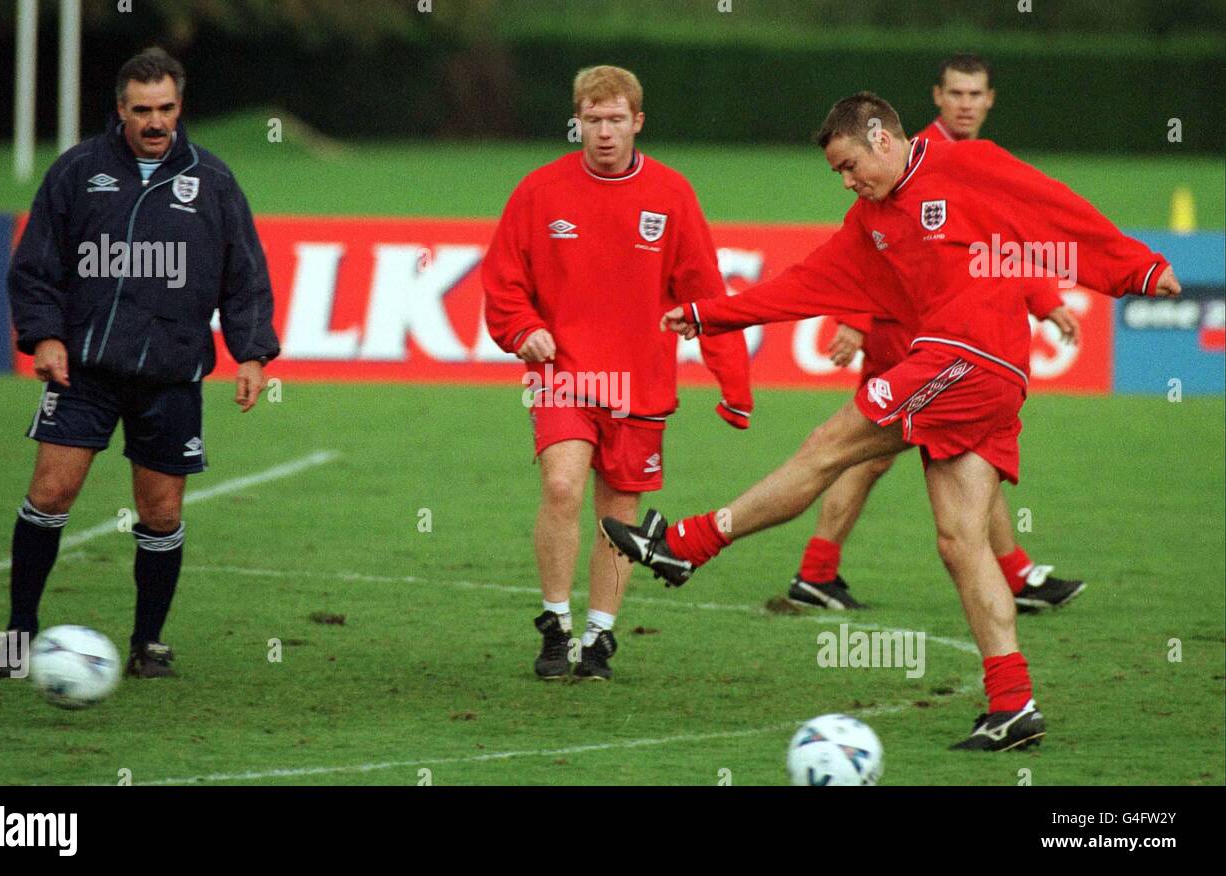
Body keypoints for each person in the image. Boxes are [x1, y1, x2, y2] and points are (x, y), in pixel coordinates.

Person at [602, 92, 1179, 749]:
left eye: (851, 165)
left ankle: (689, 543)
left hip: (971, 356)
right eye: (838, 175)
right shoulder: (869, 220)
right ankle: (1013, 704)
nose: (849, 182)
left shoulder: (967, 165)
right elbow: (804, 284)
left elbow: (1052, 208)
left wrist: (1137, 267)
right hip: (980, 377)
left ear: (880, 136)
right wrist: (711, 314)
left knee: (829, 444)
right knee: (961, 540)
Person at [3, 47, 279, 678]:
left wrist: (253, 352)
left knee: (161, 514)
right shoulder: (77, 172)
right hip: (85, 370)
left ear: (180, 108)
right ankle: (19, 631)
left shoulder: (212, 181)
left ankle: (147, 642)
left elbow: (245, 276)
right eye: (142, 111)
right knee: (49, 494)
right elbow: (36, 266)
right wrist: (44, 336)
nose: (156, 123)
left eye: (166, 110)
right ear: (120, 110)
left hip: (171, 374)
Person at [482, 65, 752, 681]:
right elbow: (502, 282)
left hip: (641, 384)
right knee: (561, 487)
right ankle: (555, 625)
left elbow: (707, 294)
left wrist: (733, 385)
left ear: (637, 122)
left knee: (619, 514)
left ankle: (599, 637)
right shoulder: (538, 192)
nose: (603, 133)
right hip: (563, 375)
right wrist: (523, 331)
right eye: (592, 120)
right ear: (576, 121)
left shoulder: (673, 194)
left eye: (615, 120)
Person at [788, 53, 1085, 613]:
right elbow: (870, 245)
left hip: (946, 334)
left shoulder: (971, 159)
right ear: (938, 97)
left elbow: (1004, 238)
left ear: (990, 99)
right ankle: (1012, 576)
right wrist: (855, 319)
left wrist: (1042, 298)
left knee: (894, 453)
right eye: (956, 94)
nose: (966, 104)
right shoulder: (908, 156)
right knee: (879, 450)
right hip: (910, 331)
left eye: (975, 95)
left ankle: (819, 571)